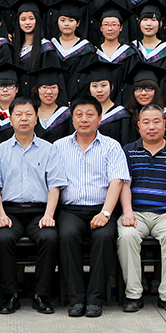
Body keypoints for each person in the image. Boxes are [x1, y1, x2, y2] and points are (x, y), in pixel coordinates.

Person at [55, 97, 129, 317]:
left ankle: (95, 299)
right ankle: (76, 299)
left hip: (102, 207)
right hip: (71, 210)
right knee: (67, 236)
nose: (84, 119)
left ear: (99, 118)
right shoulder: (59, 146)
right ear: (72, 119)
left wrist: (105, 213)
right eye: (79, 115)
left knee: (104, 237)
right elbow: (53, 182)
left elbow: (117, 181)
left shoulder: (111, 146)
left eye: (90, 115)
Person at [0, 97, 68, 314]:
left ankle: (41, 295)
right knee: (4, 238)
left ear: (36, 119)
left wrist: (49, 215)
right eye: (18, 114)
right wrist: (1, 214)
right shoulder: (0, 151)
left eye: (29, 114)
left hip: (39, 211)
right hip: (10, 211)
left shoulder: (49, 149)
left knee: (49, 237)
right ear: (10, 119)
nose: (24, 119)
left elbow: (55, 186)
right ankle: (9, 295)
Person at [117, 104, 166, 313]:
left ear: (164, 124)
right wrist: (127, 212)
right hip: (136, 213)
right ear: (139, 125)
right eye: (146, 122)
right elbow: (124, 183)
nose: (152, 126)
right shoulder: (128, 151)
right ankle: (133, 294)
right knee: (127, 236)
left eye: (156, 121)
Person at [132, 0, 166, 103]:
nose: (148, 24)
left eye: (153, 20)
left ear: (160, 23)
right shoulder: (131, 50)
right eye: (145, 19)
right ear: (139, 22)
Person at [48, 0, 96, 103]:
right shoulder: (50, 47)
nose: (66, 24)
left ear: (78, 23)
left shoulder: (87, 50)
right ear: (57, 22)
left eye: (71, 20)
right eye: (62, 20)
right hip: (54, 101)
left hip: (79, 102)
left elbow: (87, 79)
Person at [10, 0, 56, 97]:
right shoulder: (14, 48)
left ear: (37, 20)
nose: (27, 23)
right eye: (23, 19)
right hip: (18, 100)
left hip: (38, 99)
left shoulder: (45, 48)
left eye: (31, 18)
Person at [82, 60, 128, 143]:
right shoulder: (83, 114)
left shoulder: (122, 114)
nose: (99, 90)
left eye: (103, 85)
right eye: (94, 86)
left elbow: (126, 142)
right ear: (89, 88)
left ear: (111, 87)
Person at [28, 66, 73, 143]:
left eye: (53, 87)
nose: (49, 92)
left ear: (58, 90)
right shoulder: (30, 114)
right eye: (44, 87)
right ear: (38, 90)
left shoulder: (67, 114)